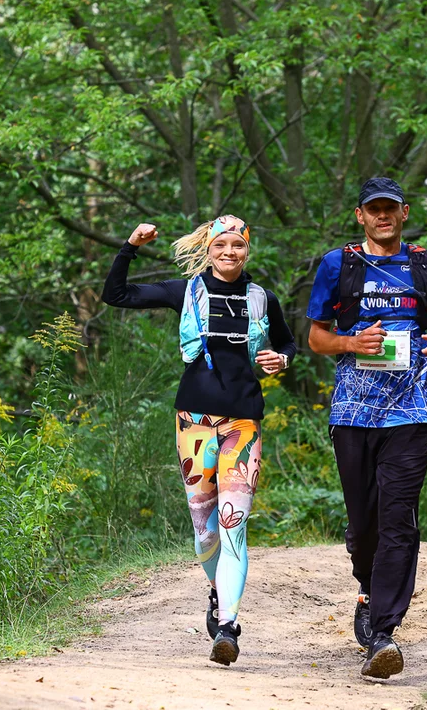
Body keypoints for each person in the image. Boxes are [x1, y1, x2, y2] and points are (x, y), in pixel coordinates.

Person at [101, 215, 296, 666]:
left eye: (238, 246)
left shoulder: (262, 299)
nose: (229, 252)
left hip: (243, 423)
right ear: (208, 249)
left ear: (248, 250)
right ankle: (215, 591)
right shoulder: (186, 291)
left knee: (233, 524)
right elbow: (117, 295)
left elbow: (288, 344)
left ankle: (227, 626)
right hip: (193, 421)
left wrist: (280, 359)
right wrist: (130, 245)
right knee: (205, 532)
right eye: (221, 245)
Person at [306, 177, 427, 679]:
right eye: (374, 210)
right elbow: (315, 337)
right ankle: (367, 589)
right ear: (360, 216)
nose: (382, 217)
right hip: (352, 413)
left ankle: (383, 633)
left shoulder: (426, 262)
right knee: (363, 525)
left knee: (399, 520)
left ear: (404, 213)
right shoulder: (339, 264)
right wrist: (351, 345)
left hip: (411, 412)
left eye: (390, 209)